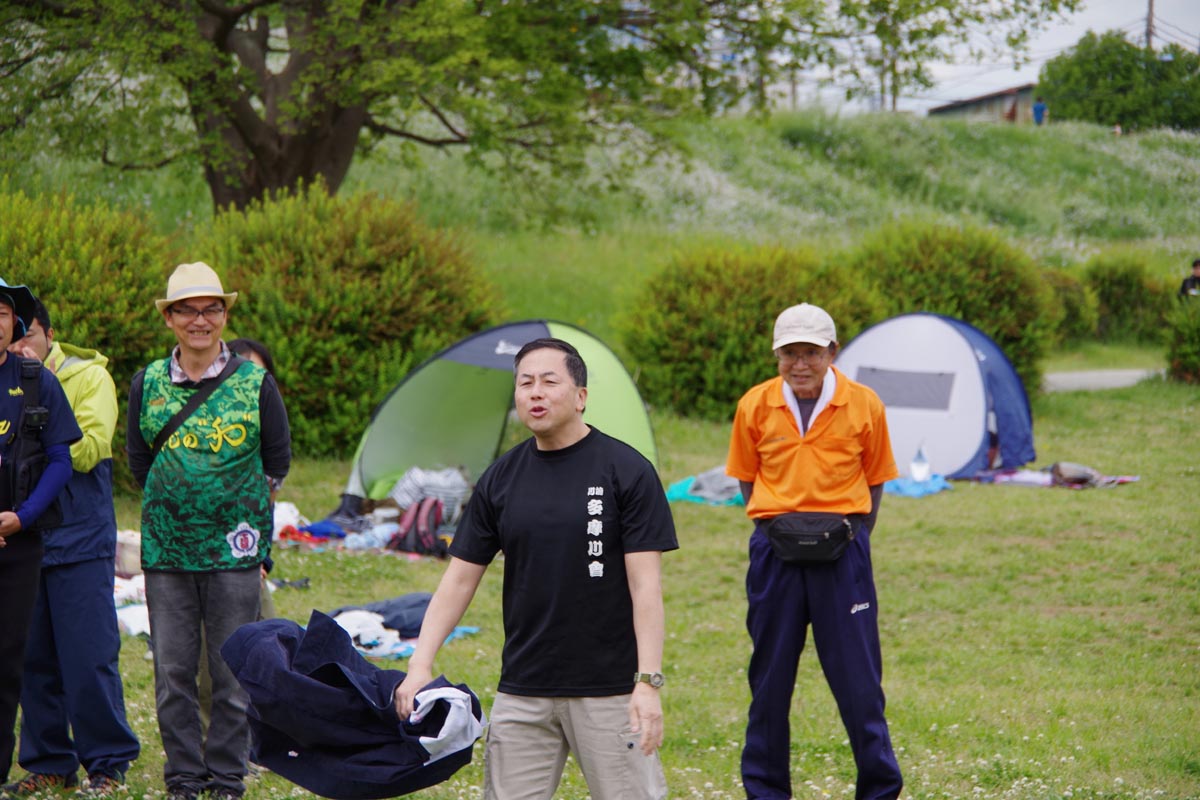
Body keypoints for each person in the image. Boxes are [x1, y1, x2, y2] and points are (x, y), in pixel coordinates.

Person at [393, 337, 678, 800]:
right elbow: (460, 579)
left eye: (549, 381)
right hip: (523, 689)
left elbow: (646, 586)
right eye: (525, 383)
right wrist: (419, 663)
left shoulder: (625, 470)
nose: (535, 393)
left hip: (608, 691)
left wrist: (647, 683)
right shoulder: (500, 480)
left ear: (581, 396)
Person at [126, 262, 291, 800]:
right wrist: (181, 502)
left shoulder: (255, 382)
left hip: (233, 553)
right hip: (166, 552)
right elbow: (138, 463)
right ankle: (183, 778)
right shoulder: (145, 382)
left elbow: (276, 461)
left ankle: (225, 778)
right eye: (188, 310)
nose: (201, 320)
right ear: (170, 319)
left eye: (211, 309)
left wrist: (236, 513)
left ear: (225, 315)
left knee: (231, 673)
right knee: (173, 673)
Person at [726, 303, 903, 800]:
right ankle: (765, 791)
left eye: (811, 352)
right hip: (774, 557)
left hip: (844, 556)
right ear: (776, 355)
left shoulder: (865, 404)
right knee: (769, 681)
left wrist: (851, 538)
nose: (799, 363)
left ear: (832, 351)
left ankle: (880, 789)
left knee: (860, 684)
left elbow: (875, 482)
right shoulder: (755, 405)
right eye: (789, 353)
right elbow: (745, 478)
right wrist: (777, 526)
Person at [3, 299, 140, 798]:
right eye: (13, 336)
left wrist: (37, 444)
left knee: (88, 655)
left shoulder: (87, 377)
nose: (20, 345)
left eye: (28, 335)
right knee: (30, 656)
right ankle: (48, 761)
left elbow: (93, 445)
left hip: (80, 538)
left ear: (49, 335)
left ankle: (107, 761)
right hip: (25, 540)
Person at [0, 280, 81, 791]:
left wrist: (22, 517)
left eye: (1, 313)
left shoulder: (34, 380)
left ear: (13, 325)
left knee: (8, 663)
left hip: (17, 544)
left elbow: (60, 460)